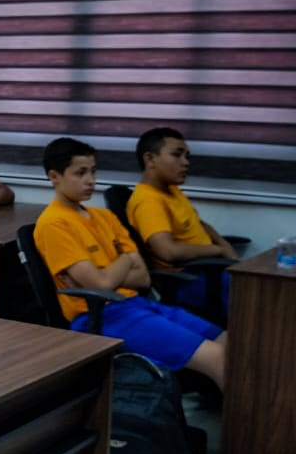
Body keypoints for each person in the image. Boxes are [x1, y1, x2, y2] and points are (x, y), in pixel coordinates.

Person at [34, 137, 226, 388]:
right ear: (54, 176)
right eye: (80, 173)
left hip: (137, 304)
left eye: (93, 171)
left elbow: (143, 278)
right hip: (103, 315)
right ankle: (241, 415)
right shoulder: (53, 224)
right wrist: (125, 259)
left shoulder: (105, 216)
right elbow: (101, 285)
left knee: (229, 342)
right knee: (217, 356)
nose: (90, 180)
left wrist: (109, 274)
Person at [126, 127, 238, 319]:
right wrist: (217, 250)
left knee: (263, 283)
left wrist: (225, 247)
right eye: (177, 155)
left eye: (187, 156)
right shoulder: (148, 201)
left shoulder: (171, 190)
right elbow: (168, 251)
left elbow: (199, 224)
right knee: (260, 294)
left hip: (209, 271)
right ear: (150, 159)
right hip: (187, 281)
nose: (186, 162)